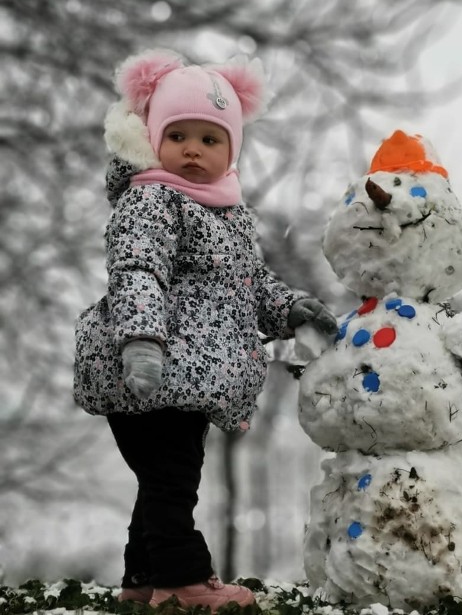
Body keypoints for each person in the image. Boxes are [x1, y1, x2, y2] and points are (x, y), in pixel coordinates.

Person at [73, 49, 338, 611]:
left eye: (210, 139)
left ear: (231, 150)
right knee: (173, 479)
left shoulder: (225, 214)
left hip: (186, 380)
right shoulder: (151, 199)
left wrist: (290, 307)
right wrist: (141, 339)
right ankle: (184, 580)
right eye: (179, 136)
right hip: (148, 367)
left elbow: (246, 286)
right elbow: (138, 270)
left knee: (161, 480)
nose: (193, 150)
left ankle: (144, 580)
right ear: (154, 140)